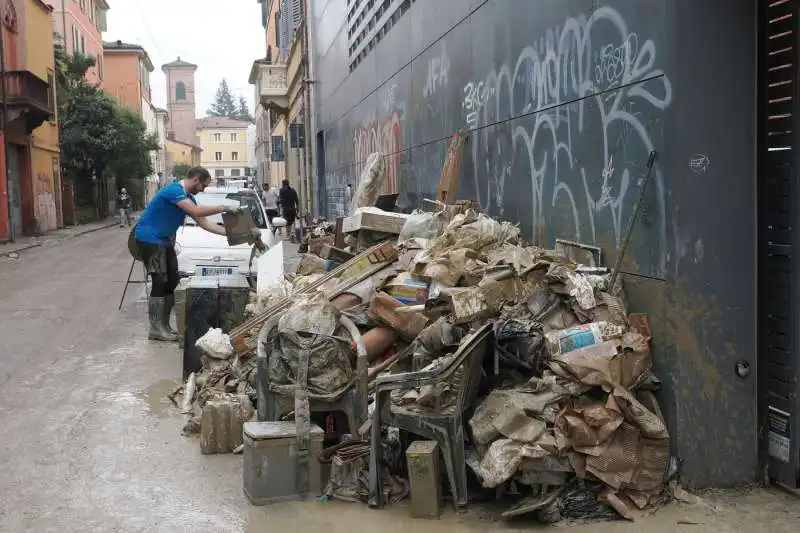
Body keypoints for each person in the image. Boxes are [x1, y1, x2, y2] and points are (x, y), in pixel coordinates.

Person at [134, 166, 237, 342]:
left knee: (172, 280)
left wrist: (230, 233)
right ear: (195, 179)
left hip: (164, 240)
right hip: (149, 237)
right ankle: (156, 328)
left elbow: (204, 223)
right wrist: (222, 207)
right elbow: (197, 212)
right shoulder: (173, 191)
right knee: (160, 280)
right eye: (203, 185)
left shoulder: (188, 198)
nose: (203, 190)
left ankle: (165, 326)